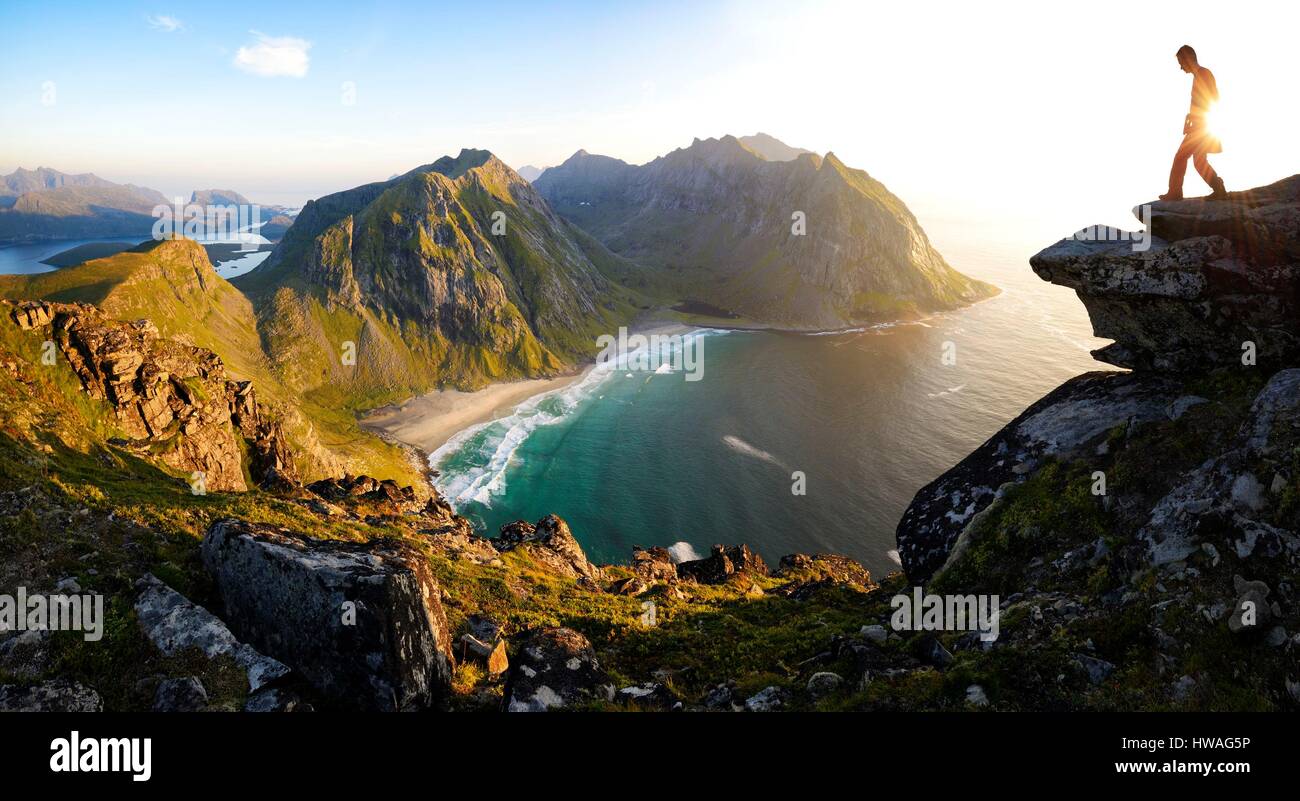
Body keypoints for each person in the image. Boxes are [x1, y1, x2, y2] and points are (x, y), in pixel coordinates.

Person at [1160, 45, 1227, 201]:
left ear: (1188, 59)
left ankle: (1175, 192)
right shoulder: (1199, 75)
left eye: (1181, 62)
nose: (1181, 67)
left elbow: (1213, 98)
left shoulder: (1204, 74)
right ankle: (1219, 189)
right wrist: (1191, 116)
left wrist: (1199, 119)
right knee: (1199, 161)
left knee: (1180, 157)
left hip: (1202, 126)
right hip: (1201, 125)